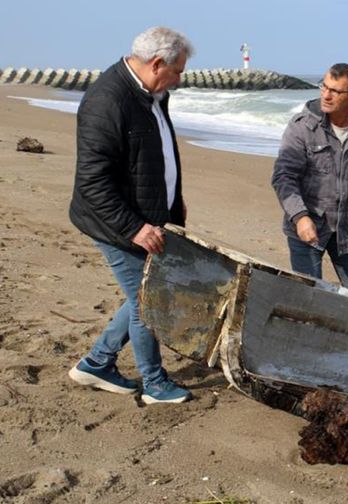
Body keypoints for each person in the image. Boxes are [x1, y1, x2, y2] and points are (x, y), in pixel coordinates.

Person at [67, 27, 194, 404]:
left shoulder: (153, 93)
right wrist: (135, 228)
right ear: (157, 64)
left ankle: (97, 363)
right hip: (115, 222)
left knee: (140, 294)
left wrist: (174, 199)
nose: (180, 78)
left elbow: (155, 151)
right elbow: (93, 183)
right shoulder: (107, 101)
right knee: (147, 300)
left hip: (150, 213)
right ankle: (154, 384)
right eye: (178, 70)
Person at [272, 63, 348, 294]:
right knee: (309, 295)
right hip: (309, 227)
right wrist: (300, 217)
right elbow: (284, 177)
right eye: (324, 86)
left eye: (335, 91)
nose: (326, 95)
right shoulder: (302, 127)